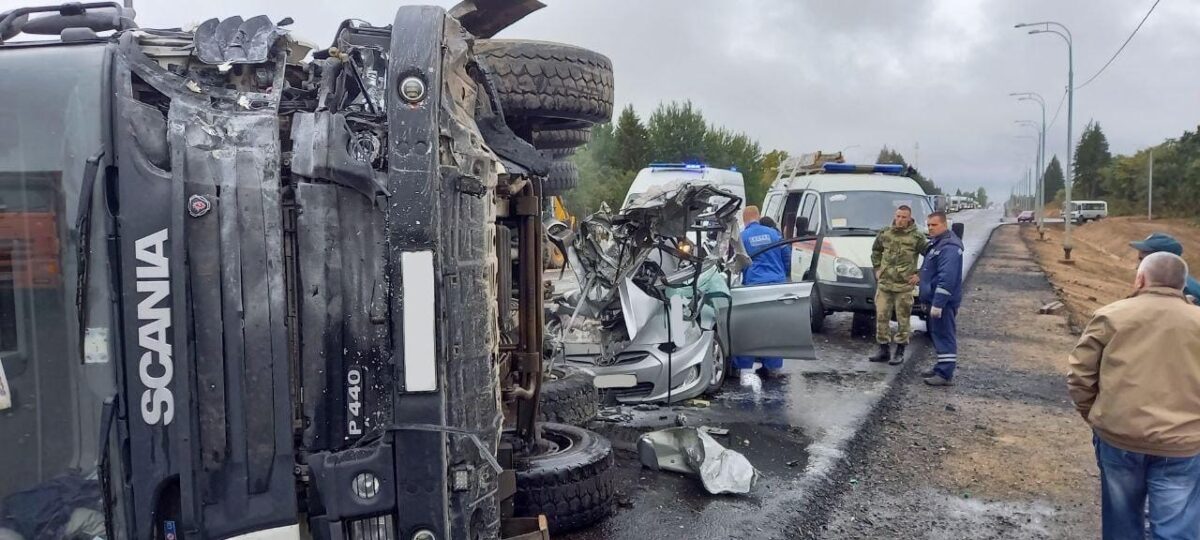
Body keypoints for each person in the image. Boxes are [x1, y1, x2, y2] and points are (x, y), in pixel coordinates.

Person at [1067, 252, 1200, 539]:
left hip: (1119, 437)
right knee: (1177, 528)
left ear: (1140, 279)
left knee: (1122, 523)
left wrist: (1095, 415)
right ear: (1183, 285)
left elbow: (1080, 375)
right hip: (1183, 445)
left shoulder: (1111, 315)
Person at [735, 206, 791, 377]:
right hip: (776, 286)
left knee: (750, 327)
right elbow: (787, 257)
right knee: (774, 326)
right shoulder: (773, 234)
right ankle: (772, 366)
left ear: (744, 220)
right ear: (758, 217)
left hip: (755, 287)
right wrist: (781, 273)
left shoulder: (742, 236)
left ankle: (743, 366)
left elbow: (737, 264)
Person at [868, 205, 928, 365]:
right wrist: (877, 268)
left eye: (904, 217)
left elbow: (930, 256)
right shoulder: (886, 233)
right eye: (898, 216)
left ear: (909, 218)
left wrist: (919, 275)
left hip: (903, 286)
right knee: (881, 316)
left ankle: (900, 351)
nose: (900, 220)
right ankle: (883, 349)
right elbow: (876, 250)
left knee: (903, 319)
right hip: (885, 284)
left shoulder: (917, 237)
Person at [918, 211, 963, 386]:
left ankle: (945, 374)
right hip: (935, 300)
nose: (930, 228)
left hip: (943, 303)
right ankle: (941, 367)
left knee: (945, 335)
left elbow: (947, 278)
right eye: (928, 225)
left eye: (934, 225)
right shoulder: (938, 244)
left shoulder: (949, 247)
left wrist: (938, 304)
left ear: (944, 225)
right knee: (938, 334)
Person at [1129, 232, 1200, 305]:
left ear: (1164, 261)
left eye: (1143, 260)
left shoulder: (1184, 291)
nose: (1138, 267)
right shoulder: (1173, 284)